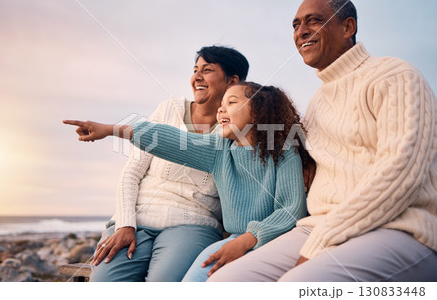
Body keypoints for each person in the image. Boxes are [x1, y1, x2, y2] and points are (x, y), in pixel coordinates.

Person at [206, 0, 437, 282]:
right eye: (295, 24)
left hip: (398, 227)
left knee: (296, 285)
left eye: (313, 21)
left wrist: (321, 241)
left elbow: (401, 174)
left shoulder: (395, 76)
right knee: (222, 282)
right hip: (317, 227)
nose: (301, 31)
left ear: (347, 27)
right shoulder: (316, 103)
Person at [63, 80, 311, 281]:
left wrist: (248, 239)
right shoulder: (219, 149)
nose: (221, 110)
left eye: (231, 102)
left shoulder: (284, 151)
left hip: (274, 241)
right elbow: (167, 138)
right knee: (192, 282)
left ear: (258, 112)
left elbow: (291, 210)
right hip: (235, 239)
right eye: (221, 104)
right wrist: (111, 130)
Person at [79, 45, 249, 282]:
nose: (197, 77)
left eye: (207, 70)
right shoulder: (169, 109)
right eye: (195, 69)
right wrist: (125, 225)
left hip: (192, 226)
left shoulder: (234, 132)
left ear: (232, 81)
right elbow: (131, 174)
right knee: (105, 282)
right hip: (136, 222)